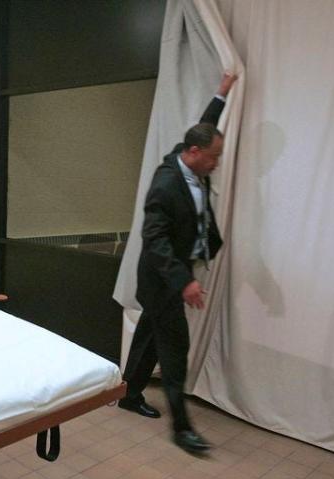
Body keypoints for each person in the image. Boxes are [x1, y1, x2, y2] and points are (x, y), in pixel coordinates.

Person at [119, 72, 236, 453]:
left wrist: (220, 94)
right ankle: (182, 428)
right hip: (162, 279)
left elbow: (205, 130)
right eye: (214, 158)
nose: (217, 164)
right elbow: (154, 239)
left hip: (169, 277)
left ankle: (129, 392)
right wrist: (183, 280)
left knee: (149, 336)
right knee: (174, 349)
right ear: (195, 154)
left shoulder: (193, 157)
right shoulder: (166, 183)